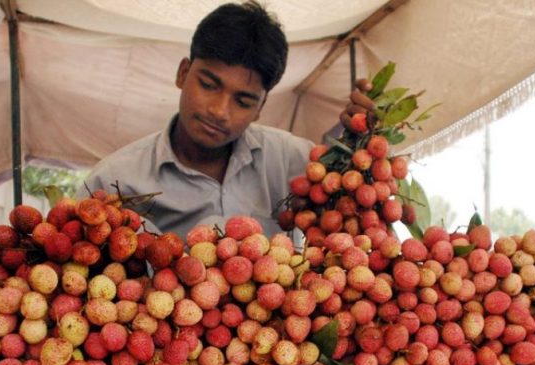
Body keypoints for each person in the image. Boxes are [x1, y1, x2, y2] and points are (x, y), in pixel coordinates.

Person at [82, 1, 373, 240]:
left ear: (261, 107)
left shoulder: (296, 162)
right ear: (183, 74)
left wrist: (358, 145)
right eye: (209, 85)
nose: (220, 111)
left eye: (243, 101)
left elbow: (353, 221)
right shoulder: (113, 183)